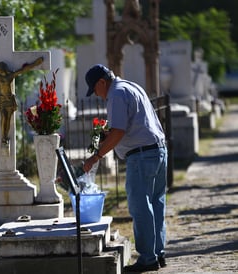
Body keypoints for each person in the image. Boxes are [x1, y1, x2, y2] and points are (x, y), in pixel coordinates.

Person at [82, 64, 168, 272]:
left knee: (141, 208)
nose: (97, 95)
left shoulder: (117, 94)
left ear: (102, 82)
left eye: (95, 90)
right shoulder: (131, 86)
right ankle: (158, 253)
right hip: (158, 151)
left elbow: (119, 131)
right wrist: (105, 135)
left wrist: (96, 156)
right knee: (156, 204)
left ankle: (148, 259)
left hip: (140, 156)